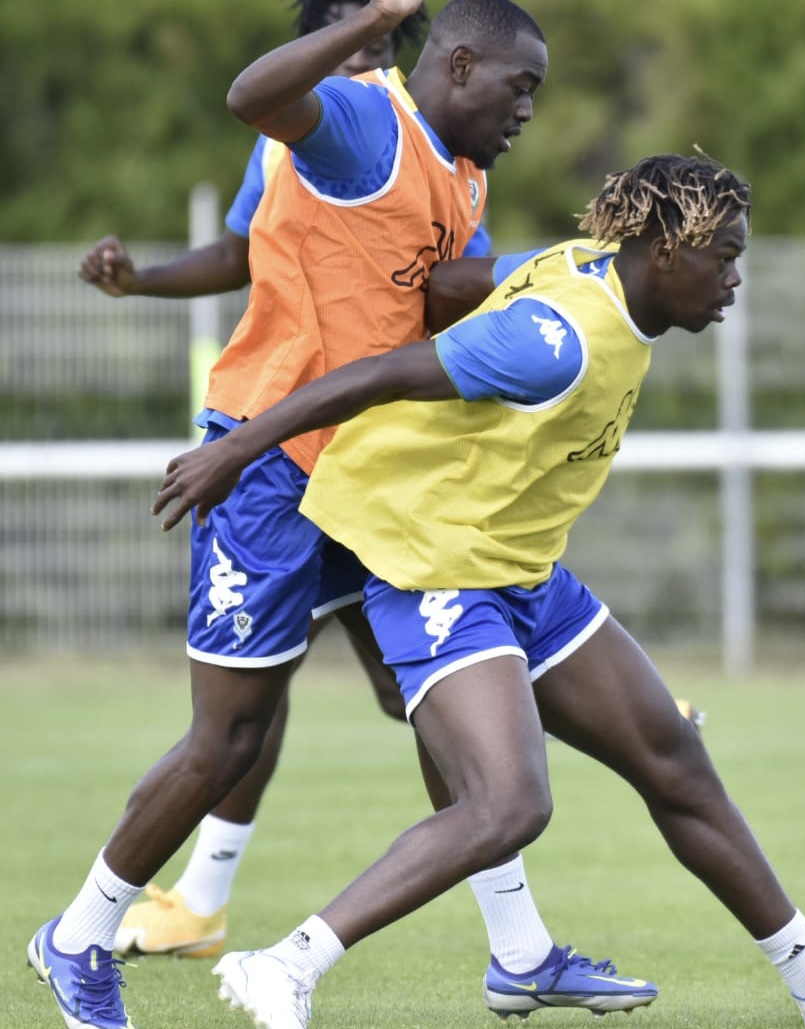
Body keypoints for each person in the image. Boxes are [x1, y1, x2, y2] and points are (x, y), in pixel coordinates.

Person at [27, 4, 656, 1029]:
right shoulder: (371, 123)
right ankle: (78, 936)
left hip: (365, 477)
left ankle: (520, 950)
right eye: (520, 87)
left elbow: (434, 295)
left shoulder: (463, 170)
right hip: (269, 470)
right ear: (454, 64)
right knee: (225, 745)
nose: (530, 110)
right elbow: (251, 100)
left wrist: (529, 282)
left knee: (433, 701)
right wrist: (374, 19)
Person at [147, 151, 805, 1029]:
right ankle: (283, 967)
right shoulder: (554, 339)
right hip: (437, 565)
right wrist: (235, 446)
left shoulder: (589, 277)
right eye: (724, 257)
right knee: (510, 803)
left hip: (519, 569)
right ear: (665, 251)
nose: (735, 278)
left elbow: (456, 278)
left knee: (671, 755)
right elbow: (378, 375)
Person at [74, 0, 481, 965]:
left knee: (418, 683)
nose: (370, 51)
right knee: (240, 716)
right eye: (353, 32)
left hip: (365, 456)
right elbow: (244, 252)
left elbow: (435, 285)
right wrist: (146, 281)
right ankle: (154, 913)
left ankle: (519, 936)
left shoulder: (440, 152)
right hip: (270, 449)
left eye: (384, 38)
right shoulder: (308, 122)